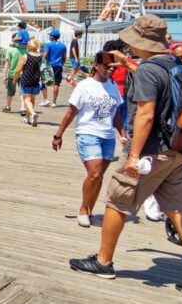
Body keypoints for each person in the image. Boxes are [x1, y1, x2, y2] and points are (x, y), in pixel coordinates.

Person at [69, 15, 182, 298]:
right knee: (177, 209)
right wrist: (129, 66)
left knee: (117, 200)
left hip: (152, 152)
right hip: (179, 150)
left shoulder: (147, 71)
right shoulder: (179, 67)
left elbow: (145, 115)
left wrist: (133, 156)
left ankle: (103, 261)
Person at [52, 51, 127, 227]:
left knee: (99, 176)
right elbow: (71, 112)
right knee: (93, 173)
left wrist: (123, 133)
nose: (110, 70)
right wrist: (58, 135)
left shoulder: (112, 86)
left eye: (113, 68)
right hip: (87, 133)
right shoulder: (84, 86)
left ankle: (90, 210)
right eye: (106, 67)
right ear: (96, 65)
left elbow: (115, 113)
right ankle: (83, 210)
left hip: (108, 137)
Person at [13, 38, 43, 126]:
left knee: (26, 99)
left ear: (29, 47)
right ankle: (27, 117)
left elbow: (18, 70)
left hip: (26, 80)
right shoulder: (40, 57)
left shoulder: (25, 56)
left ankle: (33, 114)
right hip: (36, 80)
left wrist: (15, 79)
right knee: (32, 99)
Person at [41, 29, 68, 107]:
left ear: (52, 37)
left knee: (44, 81)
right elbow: (64, 57)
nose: (50, 37)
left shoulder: (48, 45)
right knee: (56, 84)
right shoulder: (63, 46)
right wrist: (61, 64)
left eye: (50, 35)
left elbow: (45, 56)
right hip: (58, 66)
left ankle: (46, 100)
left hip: (49, 66)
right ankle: (54, 102)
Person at [2, 33, 24, 114]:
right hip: (23, 74)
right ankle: (23, 108)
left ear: (13, 40)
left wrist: (4, 75)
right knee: (22, 91)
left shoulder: (10, 50)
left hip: (12, 74)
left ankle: (8, 106)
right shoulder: (25, 50)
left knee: (10, 91)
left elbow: (7, 64)